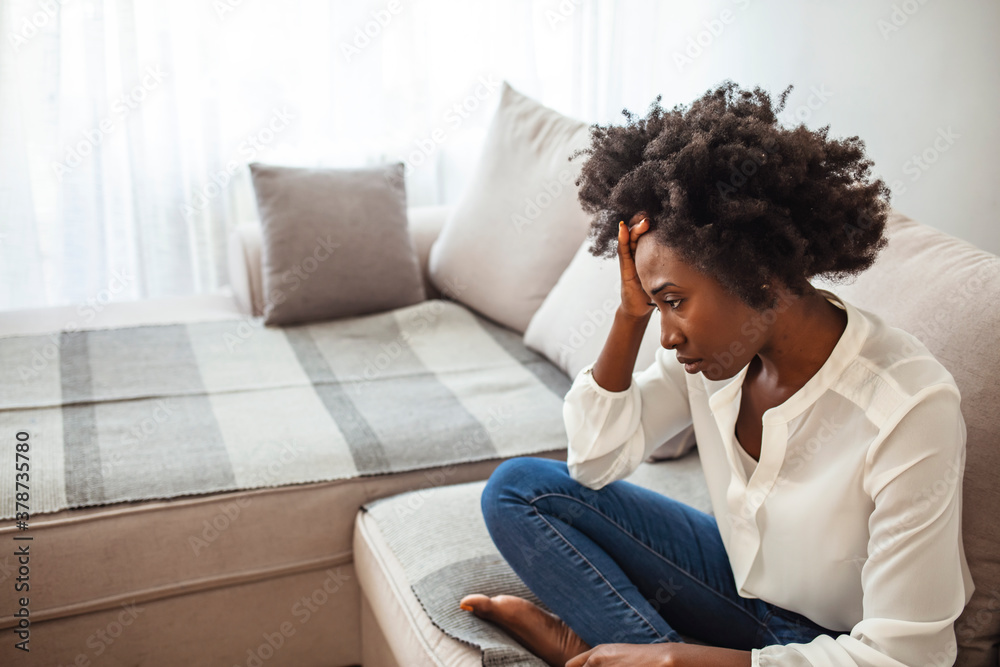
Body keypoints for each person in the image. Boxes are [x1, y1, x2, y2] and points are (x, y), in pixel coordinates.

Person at [458, 81, 975, 666]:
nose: (666, 335)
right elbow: (594, 461)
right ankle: (619, 652)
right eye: (656, 305)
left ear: (756, 274)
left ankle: (609, 651)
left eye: (674, 301)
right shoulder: (715, 356)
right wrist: (630, 315)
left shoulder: (907, 408)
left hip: (831, 645)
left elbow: (907, 659)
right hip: (736, 587)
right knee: (519, 489)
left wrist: (679, 661)